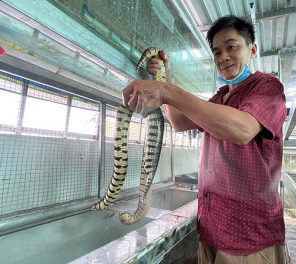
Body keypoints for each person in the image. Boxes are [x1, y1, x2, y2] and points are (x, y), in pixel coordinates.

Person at [122, 15, 287, 264]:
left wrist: (166, 91)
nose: (223, 57)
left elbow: (242, 130)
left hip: (249, 239)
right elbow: (178, 121)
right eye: (217, 51)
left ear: (252, 49)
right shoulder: (220, 98)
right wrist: (163, 76)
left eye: (232, 47)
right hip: (212, 230)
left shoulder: (268, 87)